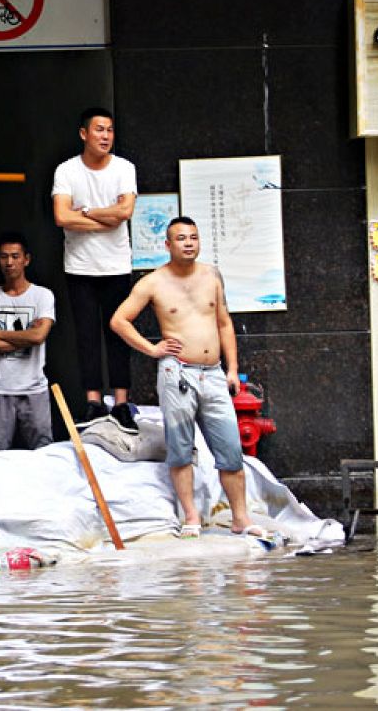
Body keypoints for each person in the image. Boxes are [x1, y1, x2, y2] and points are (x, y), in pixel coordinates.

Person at [110, 217, 265, 539]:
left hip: (214, 373)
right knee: (181, 449)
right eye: (181, 238)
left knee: (231, 449)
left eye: (194, 237)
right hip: (177, 371)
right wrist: (151, 349)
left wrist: (232, 368)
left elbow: (224, 323)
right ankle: (191, 517)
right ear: (168, 245)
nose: (189, 243)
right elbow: (119, 320)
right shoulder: (153, 282)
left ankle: (240, 518)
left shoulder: (211, 275)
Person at [51, 107, 139, 430]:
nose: (105, 136)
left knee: (118, 333)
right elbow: (62, 217)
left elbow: (125, 211)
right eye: (99, 130)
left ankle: (121, 403)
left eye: (110, 131)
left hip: (116, 265)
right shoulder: (66, 171)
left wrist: (85, 212)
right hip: (79, 267)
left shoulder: (124, 168)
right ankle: (92, 401)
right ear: (83, 134)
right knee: (86, 336)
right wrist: (106, 217)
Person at [0, 234, 57, 451]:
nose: (9, 262)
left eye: (15, 256)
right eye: (4, 257)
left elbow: (39, 336)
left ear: (26, 259)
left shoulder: (42, 296)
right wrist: (25, 338)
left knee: (42, 452)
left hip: (34, 387)